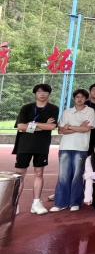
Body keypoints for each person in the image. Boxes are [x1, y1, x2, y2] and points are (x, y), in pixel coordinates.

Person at [13, 84, 59, 215]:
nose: (42, 94)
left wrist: (33, 124)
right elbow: (21, 126)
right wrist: (42, 126)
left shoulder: (53, 108)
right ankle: (14, 203)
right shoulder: (26, 108)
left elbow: (52, 127)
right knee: (20, 175)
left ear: (49, 94)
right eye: (39, 92)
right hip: (24, 145)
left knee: (39, 173)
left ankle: (36, 203)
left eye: (45, 92)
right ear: (34, 94)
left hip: (41, 145)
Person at [50, 89, 95, 212]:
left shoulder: (90, 111)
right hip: (65, 147)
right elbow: (61, 130)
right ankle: (60, 203)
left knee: (77, 175)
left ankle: (75, 202)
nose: (79, 99)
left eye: (82, 97)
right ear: (74, 98)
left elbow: (87, 129)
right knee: (63, 175)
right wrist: (79, 127)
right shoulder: (67, 112)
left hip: (81, 147)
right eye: (77, 97)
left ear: (86, 99)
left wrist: (69, 127)